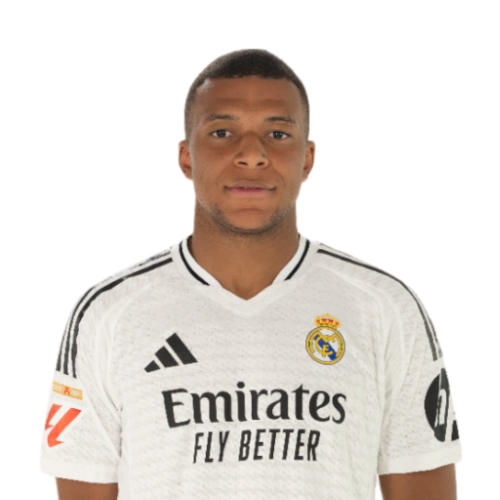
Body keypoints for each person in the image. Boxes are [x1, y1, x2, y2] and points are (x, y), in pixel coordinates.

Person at [39, 48, 462, 499]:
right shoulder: (108, 312)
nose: (252, 155)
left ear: (307, 159)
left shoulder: (384, 306)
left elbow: (425, 489)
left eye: (277, 133)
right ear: (186, 157)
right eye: (222, 132)